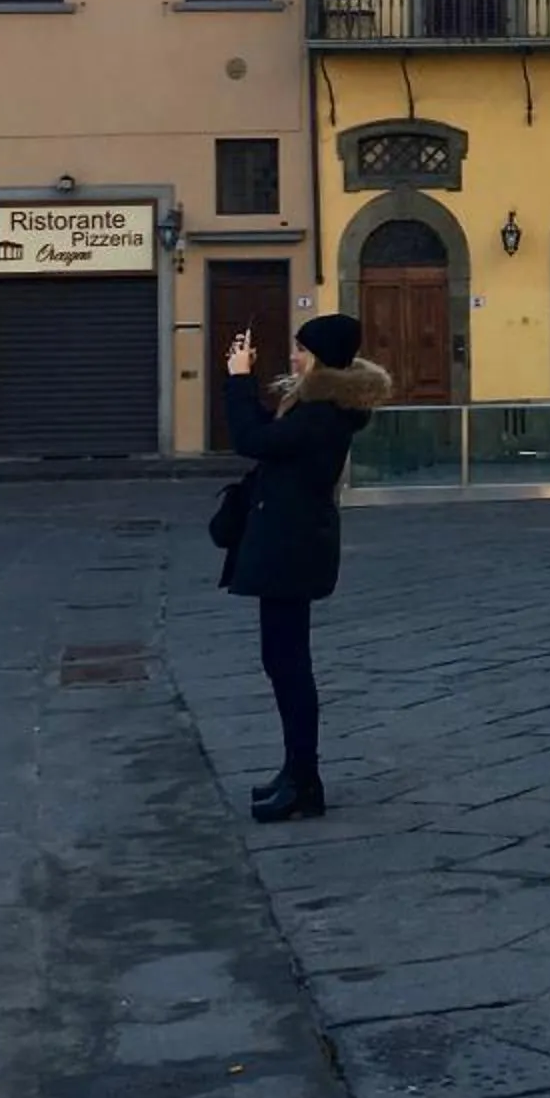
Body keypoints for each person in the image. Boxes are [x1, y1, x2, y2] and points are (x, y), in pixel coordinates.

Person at [218, 312, 391, 822]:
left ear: (320, 356)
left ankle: (304, 780)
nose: (293, 355)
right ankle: (296, 773)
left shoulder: (321, 414)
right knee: (283, 662)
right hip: (291, 547)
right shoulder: (319, 406)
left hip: (291, 551)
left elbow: (251, 440)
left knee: (290, 666)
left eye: (301, 349)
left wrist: (237, 378)